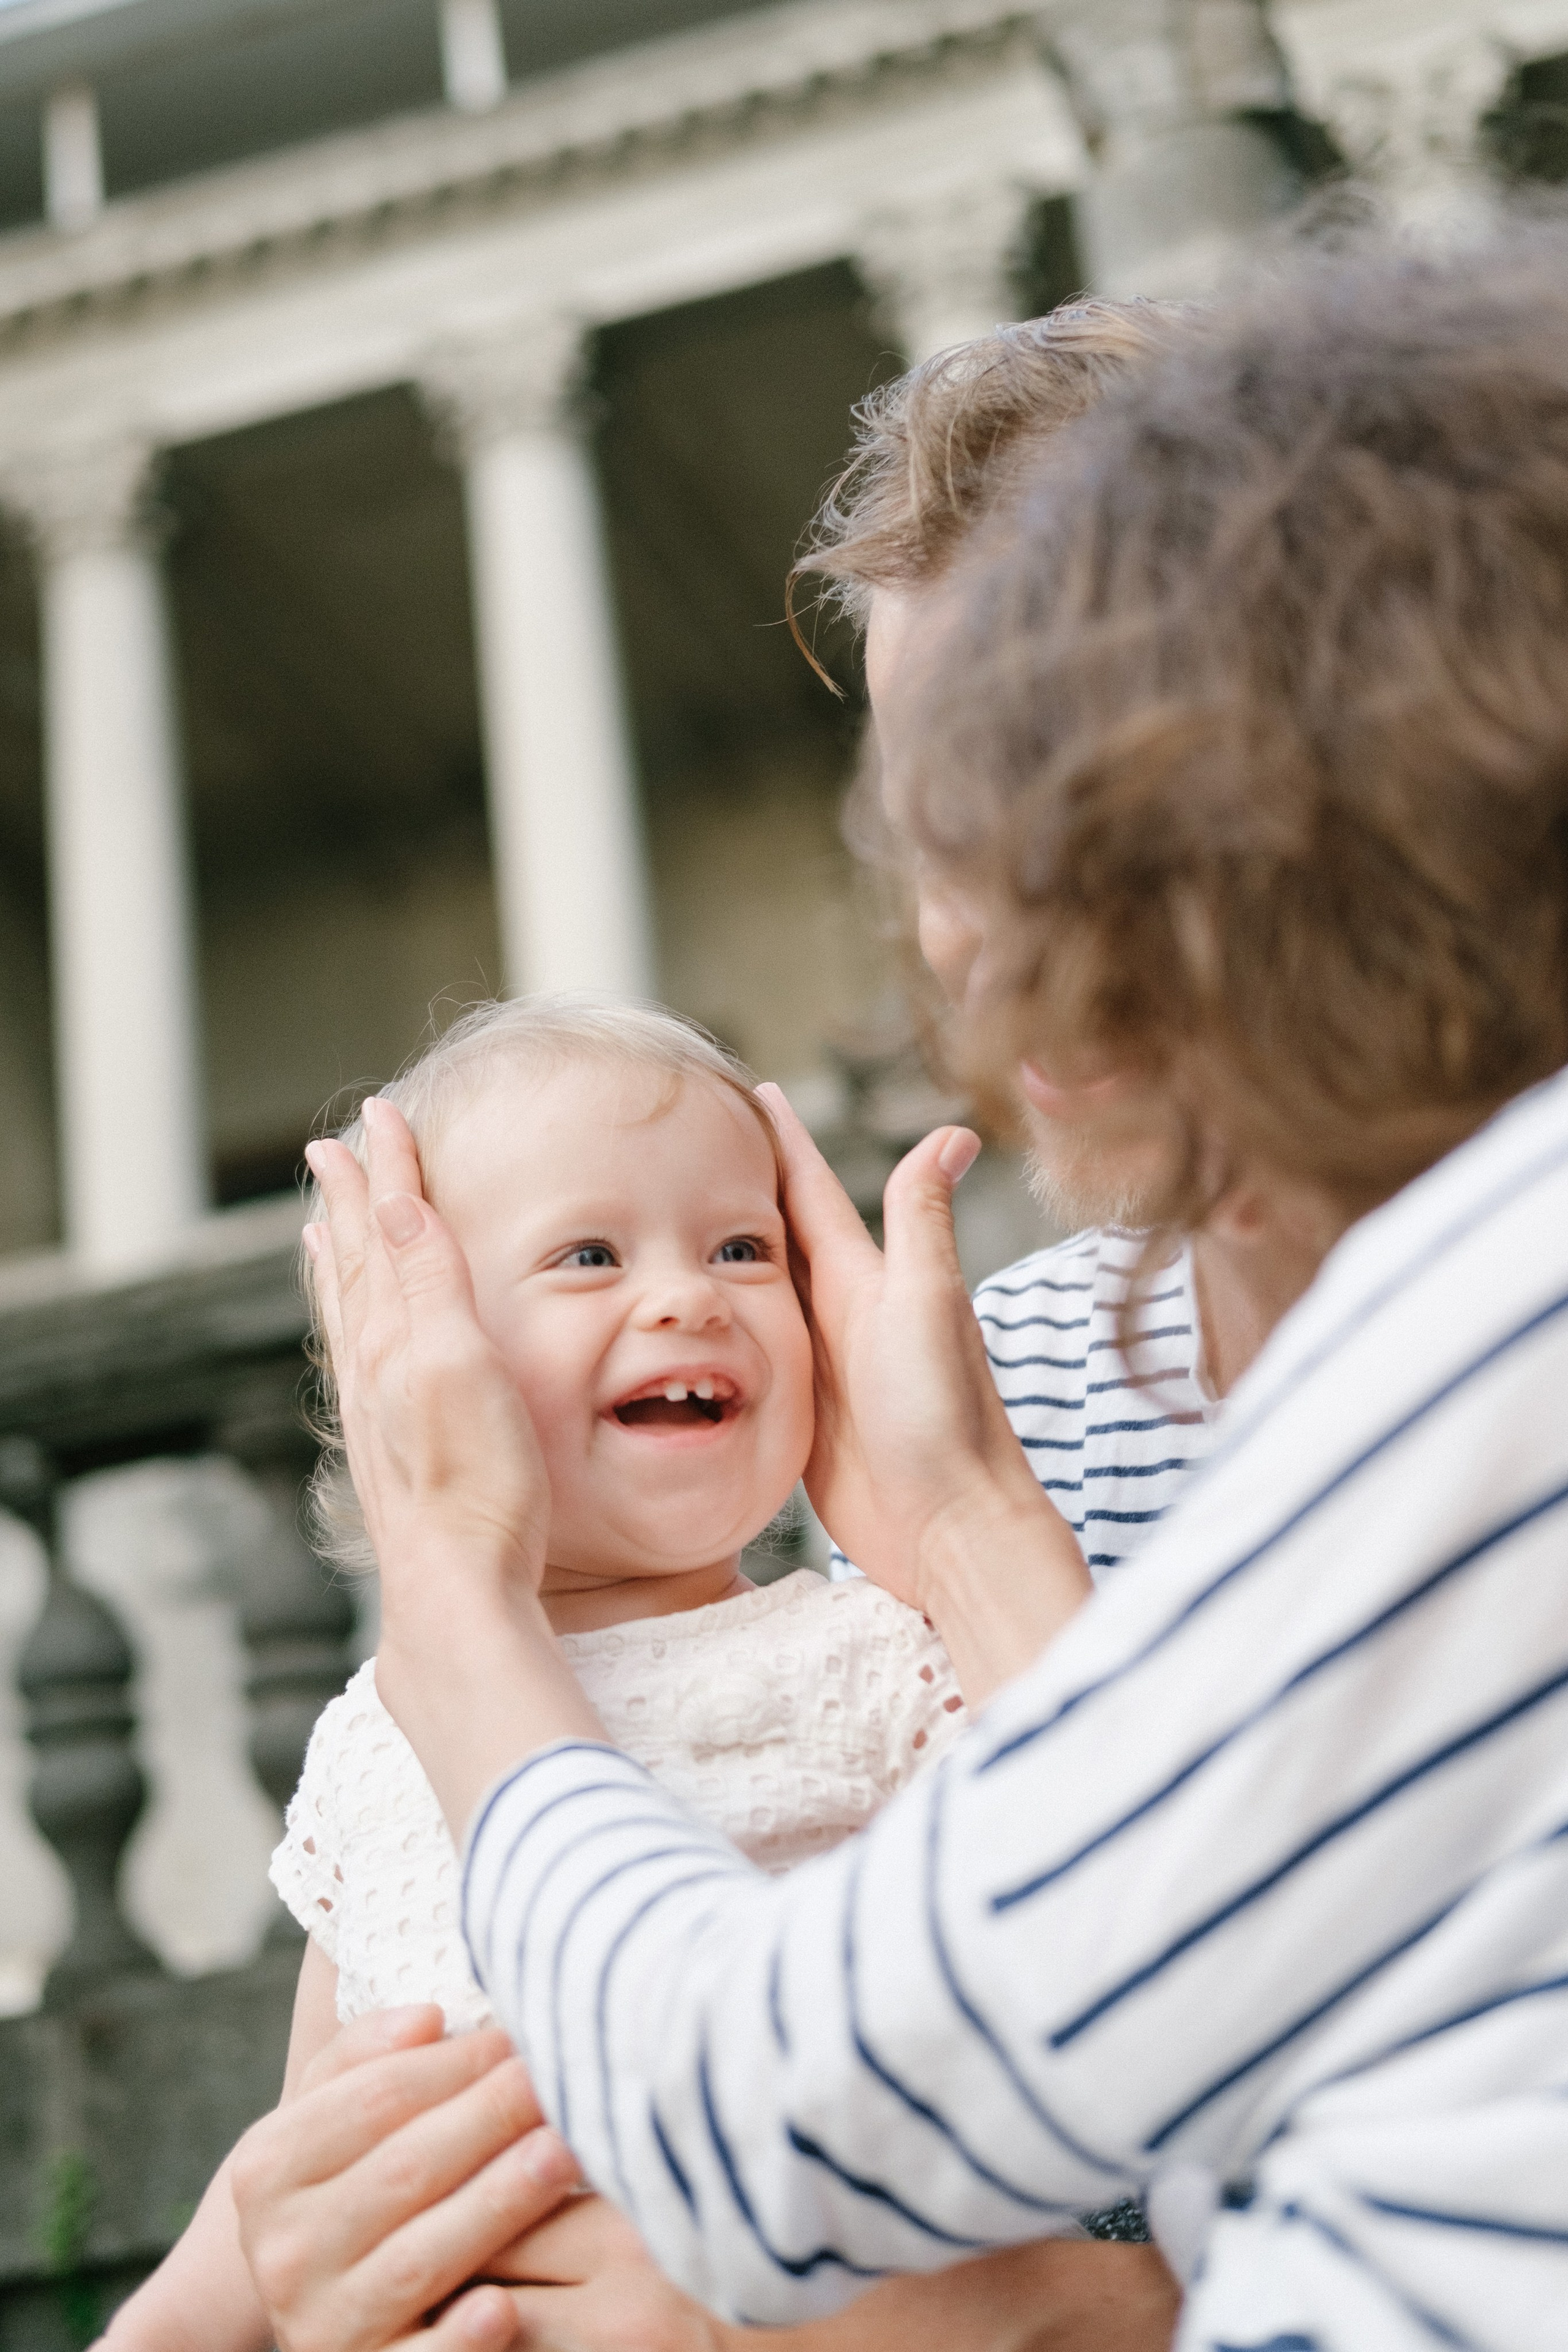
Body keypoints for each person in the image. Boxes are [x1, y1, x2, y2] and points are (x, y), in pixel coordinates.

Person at [248, 230, 1568, 2350]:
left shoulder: (1480, 1326)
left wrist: (463, 1605)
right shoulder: (946, 1407)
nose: (962, 941)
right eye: (918, 830)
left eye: (1038, 805)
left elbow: (800, 2122)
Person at [103, 996, 1095, 2352]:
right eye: (587, 1255)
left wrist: (964, 1530)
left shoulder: (872, 1659)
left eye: (744, 1248)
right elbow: (312, 2149)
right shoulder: (373, 1736)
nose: (687, 1294)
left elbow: (1111, 1866)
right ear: (407, 1360)